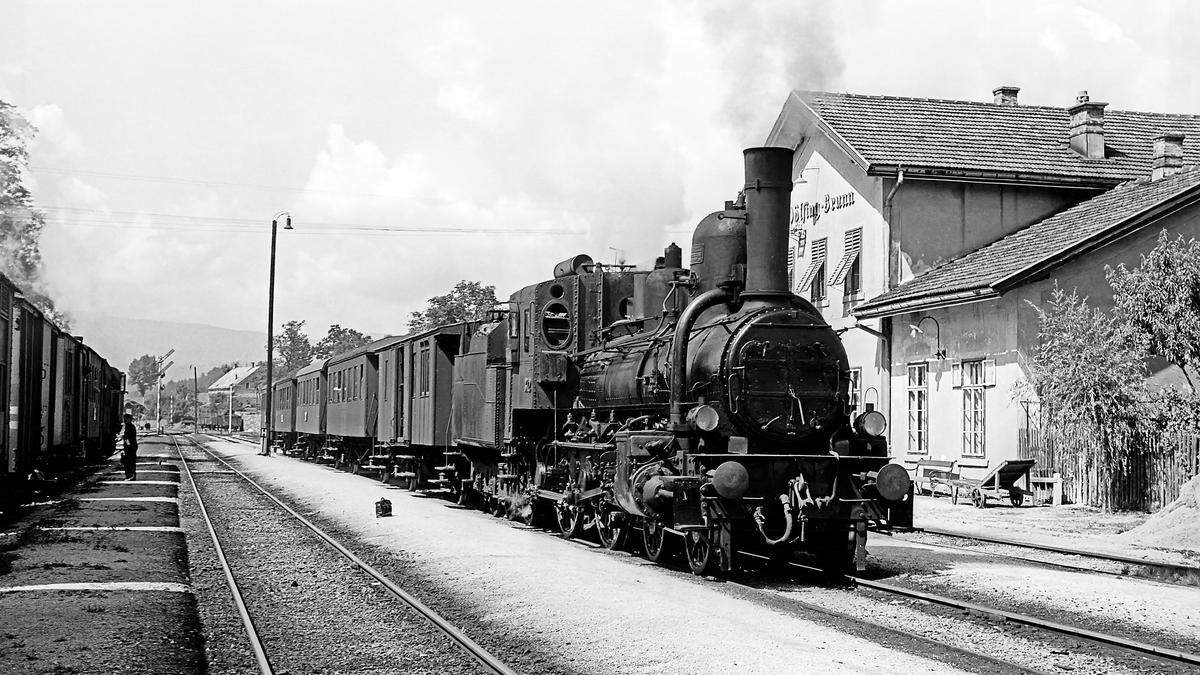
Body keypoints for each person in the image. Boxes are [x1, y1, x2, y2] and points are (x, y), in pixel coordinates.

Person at [122, 413, 138, 480]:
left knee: (130, 461)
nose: (124, 420)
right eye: (124, 419)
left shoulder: (130, 427)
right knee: (129, 461)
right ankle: (130, 475)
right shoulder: (129, 426)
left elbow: (128, 438)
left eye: (126, 419)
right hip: (131, 446)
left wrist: (128, 445)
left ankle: (131, 475)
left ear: (129, 419)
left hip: (131, 446)